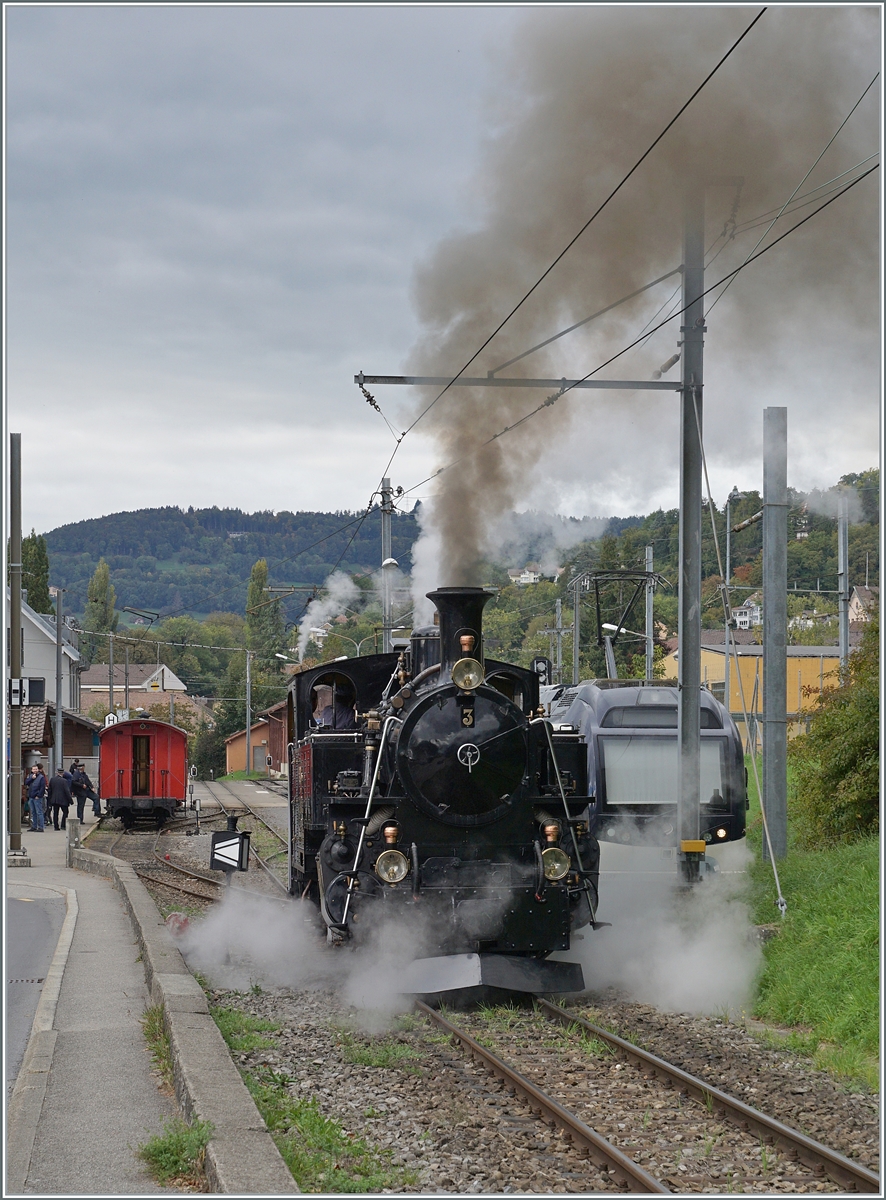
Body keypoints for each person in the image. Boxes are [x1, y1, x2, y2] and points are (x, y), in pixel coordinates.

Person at [26, 765, 47, 832]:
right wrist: (31, 778)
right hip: (31, 796)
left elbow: (42, 787)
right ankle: (34, 826)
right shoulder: (30, 776)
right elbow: (26, 783)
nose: (35, 770)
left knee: (39, 812)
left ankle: (41, 827)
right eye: (33, 769)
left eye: (36, 769)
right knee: (33, 812)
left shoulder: (41, 777)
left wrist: (39, 795)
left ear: (38, 770)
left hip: (37, 797)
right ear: (32, 770)